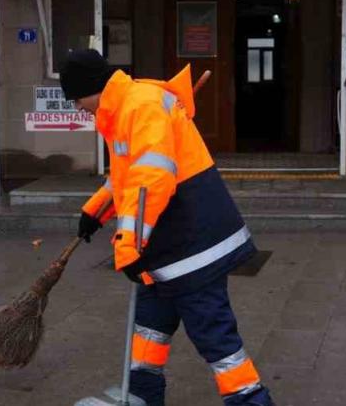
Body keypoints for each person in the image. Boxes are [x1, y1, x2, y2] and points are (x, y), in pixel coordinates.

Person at [61, 49, 273, 406]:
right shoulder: (123, 108)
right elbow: (127, 177)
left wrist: (127, 244)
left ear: (91, 88)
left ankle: (251, 400)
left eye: (76, 99)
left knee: (214, 335)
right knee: (150, 324)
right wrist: (95, 211)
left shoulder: (139, 106)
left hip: (192, 244)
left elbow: (152, 179)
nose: (77, 107)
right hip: (166, 242)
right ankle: (142, 394)